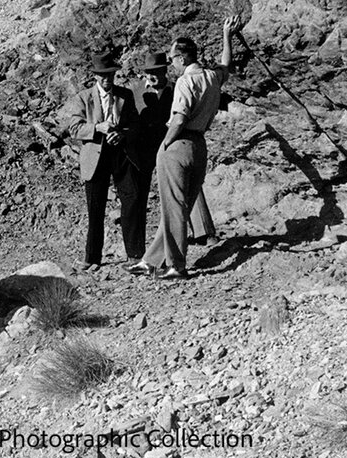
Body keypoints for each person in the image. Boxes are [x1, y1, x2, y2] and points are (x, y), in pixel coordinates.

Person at [128, 15, 241, 279]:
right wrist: (227, 35)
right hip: (200, 145)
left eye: (173, 58)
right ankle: (152, 260)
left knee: (174, 206)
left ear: (182, 58)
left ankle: (176, 265)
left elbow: (179, 118)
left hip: (177, 145)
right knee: (182, 204)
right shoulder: (212, 77)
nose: (172, 64)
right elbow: (226, 63)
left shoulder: (184, 81)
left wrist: (166, 143)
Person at [130, 52, 217, 260]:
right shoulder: (137, 92)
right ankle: (138, 247)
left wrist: (168, 141)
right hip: (147, 146)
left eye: (157, 72)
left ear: (165, 71)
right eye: (149, 73)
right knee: (138, 190)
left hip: (172, 144)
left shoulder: (176, 87)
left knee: (186, 190)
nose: (153, 76)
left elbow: (181, 116)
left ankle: (204, 231)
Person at [64, 52, 141, 269]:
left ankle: (134, 254)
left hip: (121, 153)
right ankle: (92, 257)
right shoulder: (83, 98)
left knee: (131, 199)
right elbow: (74, 128)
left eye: (110, 75)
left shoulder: (125, 95)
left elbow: (135, 125)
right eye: (102, 76)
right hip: (95, 155)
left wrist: (123, 134)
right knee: (95, 206)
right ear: (95, 76)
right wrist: (97, 128)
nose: (107, 80)